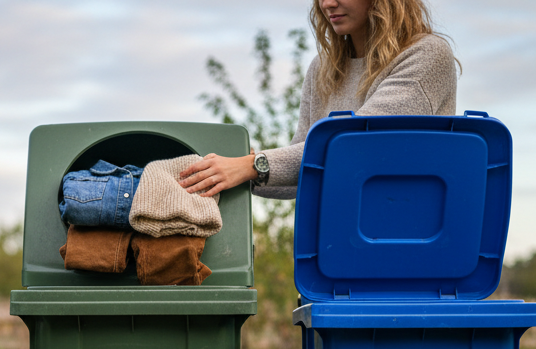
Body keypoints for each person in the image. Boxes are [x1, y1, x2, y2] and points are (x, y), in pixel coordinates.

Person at [178, 0, 458, 199]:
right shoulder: (324, 68)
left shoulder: (427, 55)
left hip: (409, 238)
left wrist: (252, 166)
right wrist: (231, 171)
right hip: (336, 243)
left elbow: (358, 143)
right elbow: (303, 170)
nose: (327, 4)